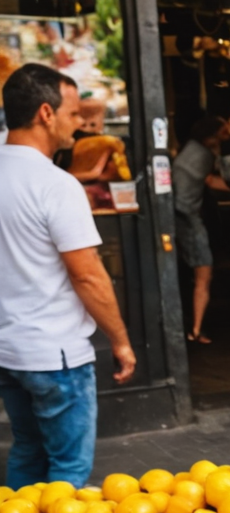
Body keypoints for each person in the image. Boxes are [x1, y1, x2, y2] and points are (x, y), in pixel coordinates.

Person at [0, 64, 134, 485]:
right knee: (68, 467)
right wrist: (120, 341)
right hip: (54, 353)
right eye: (73, 113)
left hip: (8, 348)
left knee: (27, 449)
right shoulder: (55, 184)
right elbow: (88, 276)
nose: (79, 124)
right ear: (46, 113)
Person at [172, 115, 230, 345]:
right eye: (225, 133)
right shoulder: (202, 155)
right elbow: (210, 181)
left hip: (178, 216)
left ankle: (192, 326)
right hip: (187, 218)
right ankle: (196, 329)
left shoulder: (188, 150)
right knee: (204, 273)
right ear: (212, 136)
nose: (229, 137)